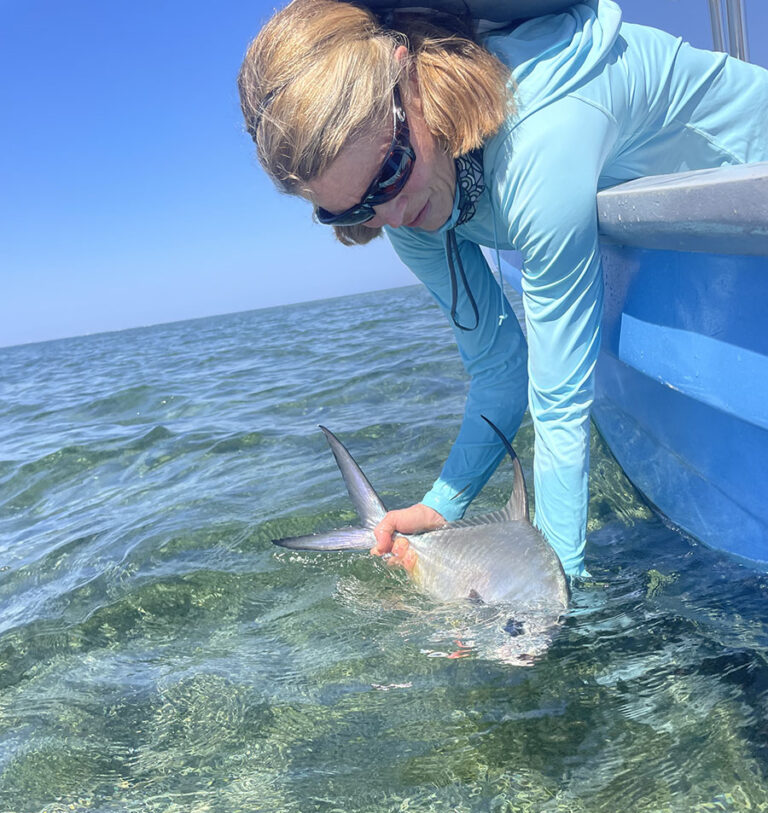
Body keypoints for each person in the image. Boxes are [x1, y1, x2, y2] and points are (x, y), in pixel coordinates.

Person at [238, 0, 768, 577]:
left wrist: (555, 593)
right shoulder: (403, 211)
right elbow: (500, 369)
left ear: (408, 78)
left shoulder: (539, 140)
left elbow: (558, 401)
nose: (390, 216)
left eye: (390, 171)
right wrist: (442, 506)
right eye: (351, 211)